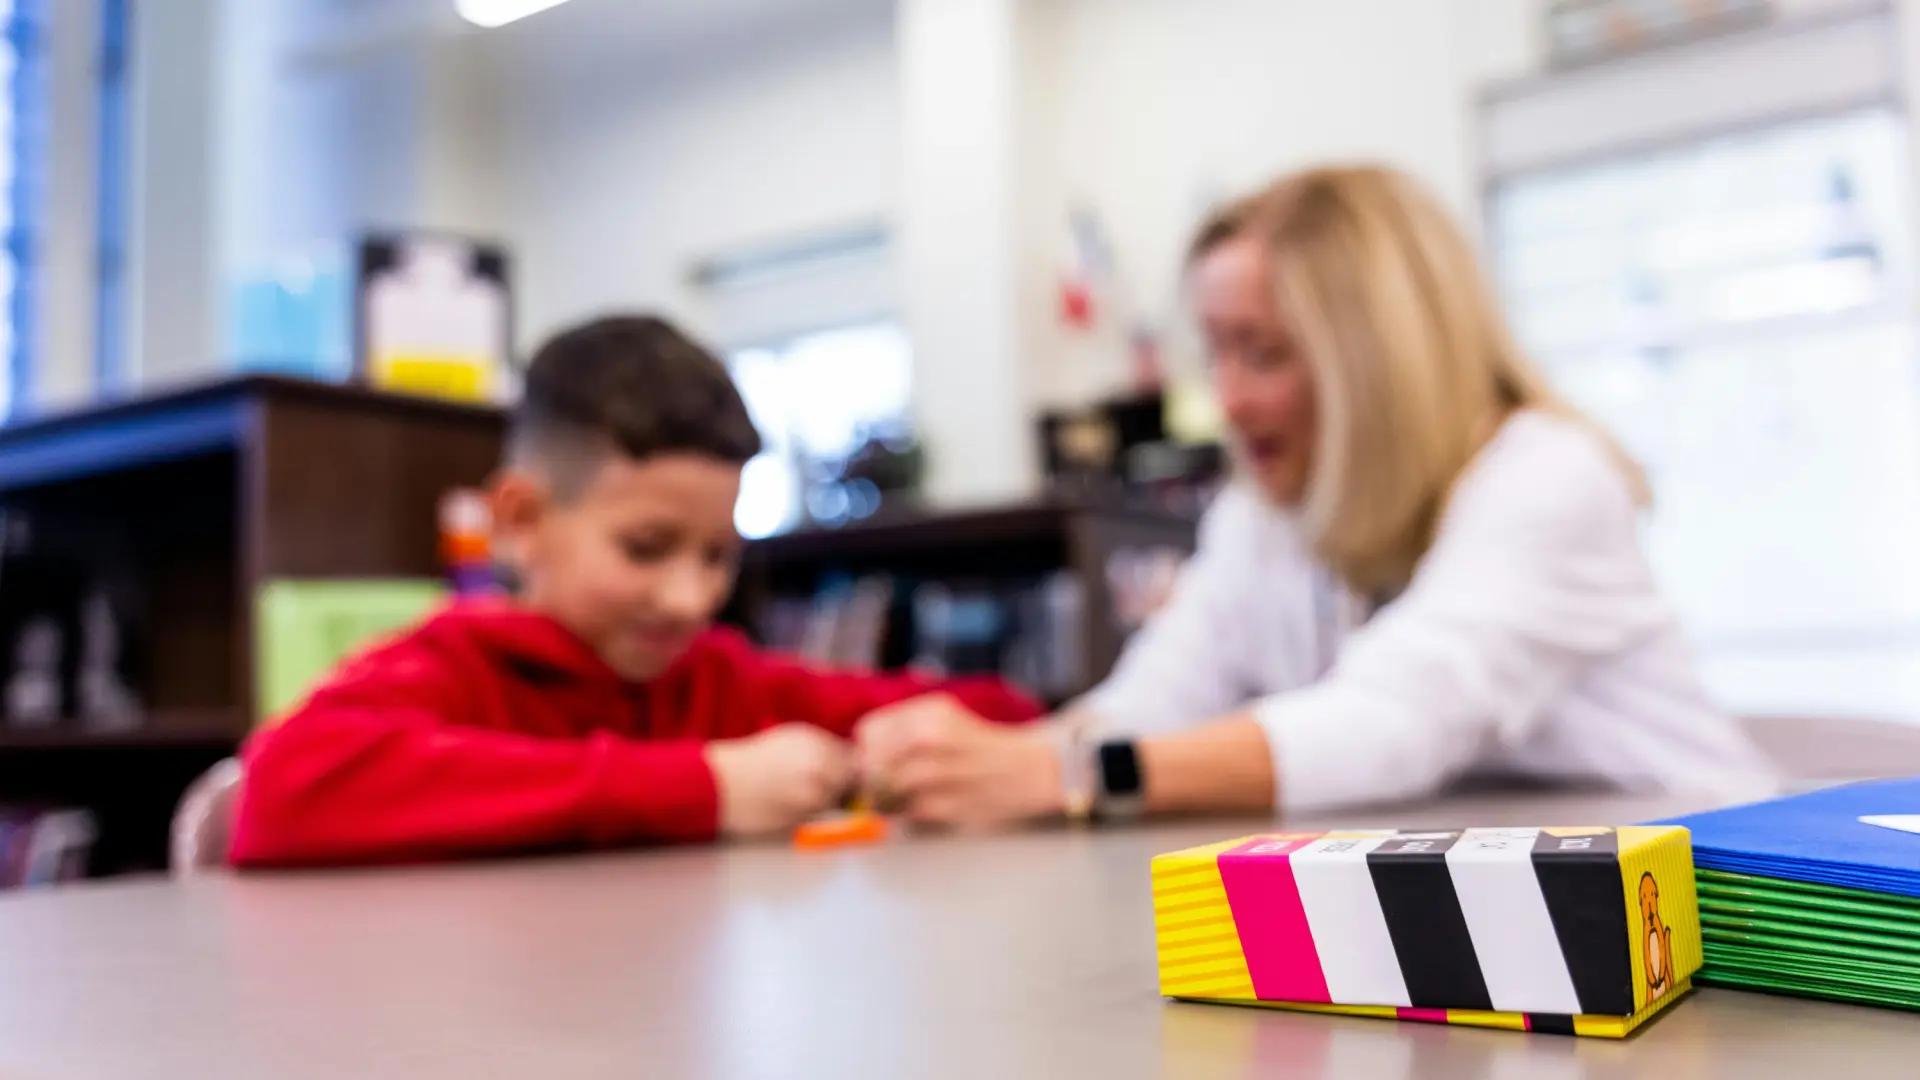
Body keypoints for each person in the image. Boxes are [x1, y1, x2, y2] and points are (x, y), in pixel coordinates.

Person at [857, 164, 1774, 827]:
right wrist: (976, 763)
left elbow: (1397, 721)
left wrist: (1072, 774)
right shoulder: (1263, 512)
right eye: (1215, 352)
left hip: (1712, 911)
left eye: (1263, 353)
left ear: (1382, 360)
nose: (1227, 400)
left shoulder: (1547, 476)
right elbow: (1155, 697)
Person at [229, 315, 1040, 867]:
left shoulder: (719, 679)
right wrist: (705, 788)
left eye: (719, 557)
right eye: (645, 549)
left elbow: (1005, 710)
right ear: (520, 519)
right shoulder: (452, 667)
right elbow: (280, 792)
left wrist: (916, 749)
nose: (690, 599)